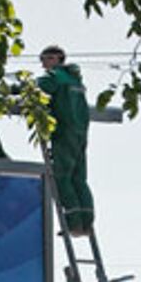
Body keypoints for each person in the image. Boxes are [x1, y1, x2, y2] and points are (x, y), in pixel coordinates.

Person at [37, 45, 94, 236]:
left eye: (45, 59)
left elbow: (35, 89)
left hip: (64, 132)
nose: (43, 64)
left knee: (62, 177)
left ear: (56, 58)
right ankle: (86, 223)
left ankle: (74, 223)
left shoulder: (56, 78)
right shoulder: (75, 80)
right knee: (79, 178)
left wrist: (11, 89)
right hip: (80, 132)